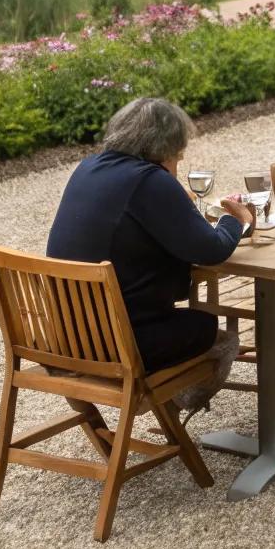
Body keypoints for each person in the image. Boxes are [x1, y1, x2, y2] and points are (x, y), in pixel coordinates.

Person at [47, 97, 254, 403]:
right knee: (216, 335)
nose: (176, 166)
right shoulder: (149, 180)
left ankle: (160, 408)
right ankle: (168, 407)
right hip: (118, 344)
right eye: (178, 157)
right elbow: (211, 249)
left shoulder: (88, 167)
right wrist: (236, 220)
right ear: (166, 149)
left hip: (65, 337)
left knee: (183, 321)